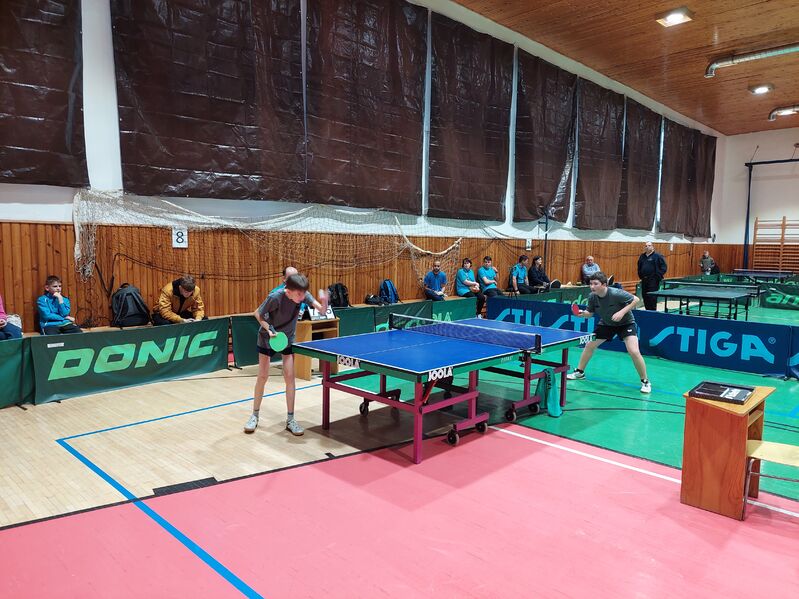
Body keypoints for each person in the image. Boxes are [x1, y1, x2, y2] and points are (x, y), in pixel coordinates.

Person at [244, 274, 326, 436]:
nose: (302, 297)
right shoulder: (275, 297)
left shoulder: (302, 294)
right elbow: (258, 314)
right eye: (299, 294)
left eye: (303, 293)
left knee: (290, 377)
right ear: (288, 292)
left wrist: (324, 302)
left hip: (287, 339)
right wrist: (269, 329)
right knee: (263, 376)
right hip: (268, 338)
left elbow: (322, 311)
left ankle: (290, 420)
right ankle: (254, 416)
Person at [567, 272, 651, 393]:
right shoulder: (592, 296)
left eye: (595, 284)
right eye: (591, 284)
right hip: (606, 323)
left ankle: (645, 381)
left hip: (625, 323)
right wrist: (582, 313)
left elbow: (636, 299)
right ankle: (580, 372)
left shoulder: (616, 293)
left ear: (604, 284)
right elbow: (590, 314)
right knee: (589, 345)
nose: (592, 286)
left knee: (634, 351)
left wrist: (621, 312)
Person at [637, 241, 667, 310]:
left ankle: (653, 312)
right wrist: (640, 276)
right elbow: (639, 267)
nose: (647, 247)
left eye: (649, 245)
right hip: (644, 280)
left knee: (652, 297)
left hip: (653, 280)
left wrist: (657, 276)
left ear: (653, 247)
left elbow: (663, 267)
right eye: (646, 246)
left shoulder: (658, 256)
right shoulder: (642, 256)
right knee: (645, 296)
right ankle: (647, 311)